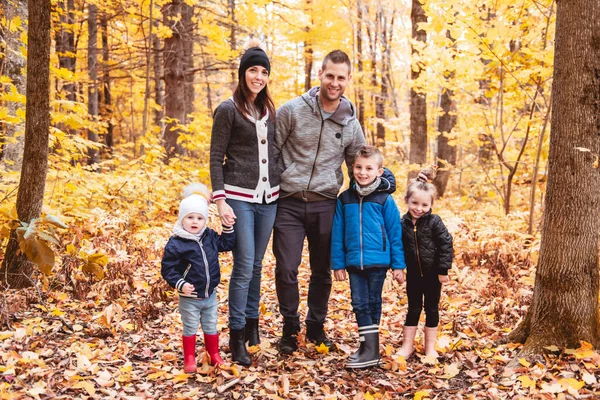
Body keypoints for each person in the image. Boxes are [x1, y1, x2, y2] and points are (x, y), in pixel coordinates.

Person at [273, 49, 366, 355]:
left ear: (348, 79)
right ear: (320, 75)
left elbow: (360, 167)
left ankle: (315, 326)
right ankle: (289, 326)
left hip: (326, 203)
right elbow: (271, 152)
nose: (334, 82)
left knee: (321, 271)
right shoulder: (291, 111)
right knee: (286, 267)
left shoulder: (351, 124)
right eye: (330, 76)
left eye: (341, 77)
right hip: (288, 201)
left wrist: (382, 186)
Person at [210, 39, 279, 366]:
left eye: (263, 71)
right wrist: (221, 201)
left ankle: (253, 326)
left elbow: (275, 152)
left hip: (269, 199)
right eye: (253, 69)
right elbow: (215, 157)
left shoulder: (270, 109)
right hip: (239, 198)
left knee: (256, 265)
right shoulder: (228, 109)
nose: (258, 76)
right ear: (243, 73)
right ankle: (236, 334)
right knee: (244, 264)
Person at [331, 146, 406, 368]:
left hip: (378, 262)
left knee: (373, 303)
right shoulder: (344, 199)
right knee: (358, 303)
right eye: (359, 167)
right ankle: (367, 347)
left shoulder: (385, 200)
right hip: (354, 262)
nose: (363, 172)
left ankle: (370, 349)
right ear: (352, 168)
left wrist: (398, 266)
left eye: (369, 168)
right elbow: (337, 234)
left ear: (379, 171)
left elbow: (395, 234)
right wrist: (338, 263)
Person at [161, 183, 235, 373]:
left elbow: (226, 244)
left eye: (200, 218)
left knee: (211, 325)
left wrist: (227, 227)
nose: (195, 222)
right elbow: (168, 269)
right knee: (190, 327)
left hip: (209, 295)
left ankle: (214, 354)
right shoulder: (176, 243)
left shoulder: (208, 236)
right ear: (181, 219)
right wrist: (180, 284)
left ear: (205, 220)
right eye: (190, 217)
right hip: (189, 297)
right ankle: (189, 357)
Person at [395, 169, 453, 361]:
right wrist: (398, 268)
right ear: (407, 201)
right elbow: (398, 247)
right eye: (415, 203)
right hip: (413, 274)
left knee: (431, 308)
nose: (419, 208)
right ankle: (407, 346)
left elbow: (446, 243)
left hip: (432, 275)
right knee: (413, 307)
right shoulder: (402, 223)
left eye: (424, 205)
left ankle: (430, 347)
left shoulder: (434, 222)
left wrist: (443, 269)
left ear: (431, 205)